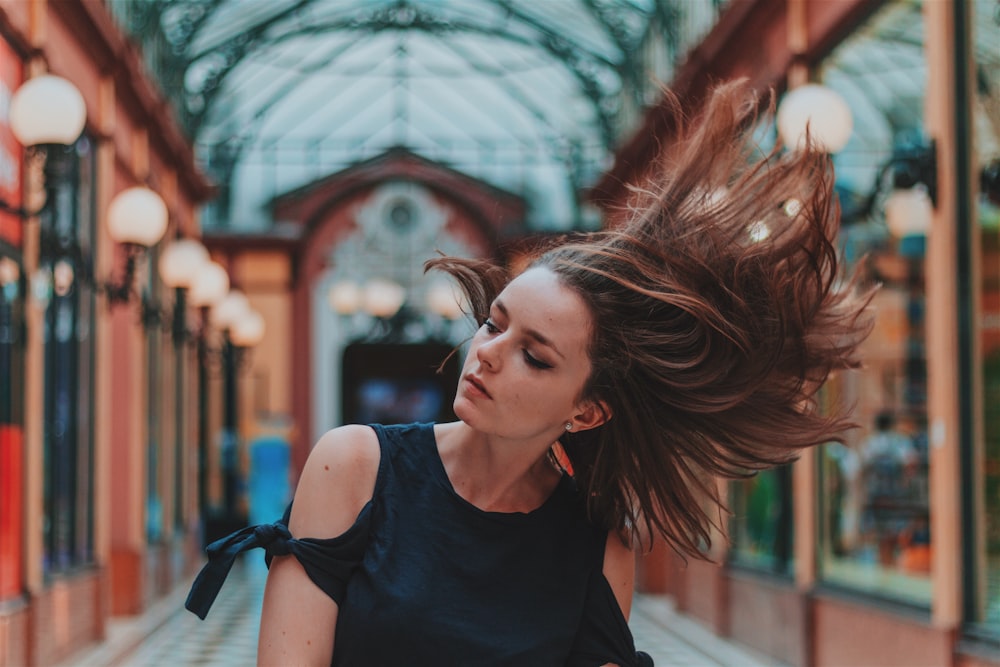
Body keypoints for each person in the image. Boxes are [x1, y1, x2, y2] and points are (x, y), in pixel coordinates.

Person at [185, 80, 872, 666]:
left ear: (587, 410)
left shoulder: (595, 541)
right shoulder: (355, 467)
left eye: (535, 354)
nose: (486, 351)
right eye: (494, 322)